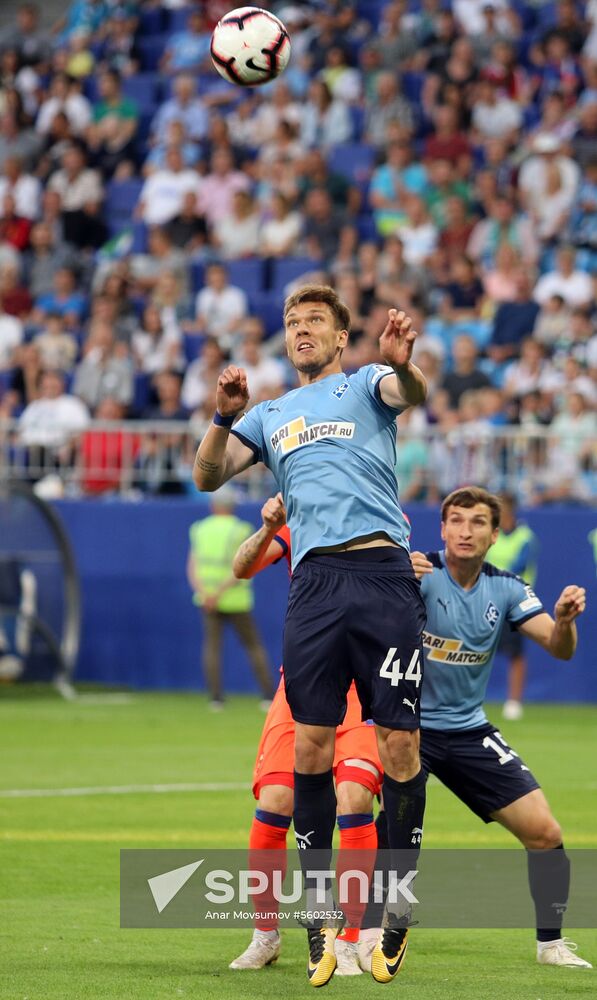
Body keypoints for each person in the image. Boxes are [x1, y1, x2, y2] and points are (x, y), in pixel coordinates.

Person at [193, 284, 427, 986]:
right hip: (315, 584)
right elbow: (207, 475)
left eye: (315, 321)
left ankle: (395, 906)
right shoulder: (269, 414)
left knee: (400, 747)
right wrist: (222, 416)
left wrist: (402, 362)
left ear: (339, 337)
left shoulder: (366, 384)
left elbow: (410, 390)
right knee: (310, 747)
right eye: (293, 321)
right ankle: (318, 918)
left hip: (381, 574)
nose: (301, 330)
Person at [408, 486, 590, 971]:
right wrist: (395, 582)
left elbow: (559, 648)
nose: (465, 531)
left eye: (478, 522)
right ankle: (361, 934)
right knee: (379, 829)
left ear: (495, 534)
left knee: (545, 833)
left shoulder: (507, 588)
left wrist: (565, 621)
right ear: (442, 529)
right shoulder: (417, 573)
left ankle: (551, 944)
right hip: (406, 728)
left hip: (468, 731)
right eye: (456, 520)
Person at [229, 492, 384, 976]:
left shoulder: (381, 515)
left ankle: (350, 939)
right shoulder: (299, 521)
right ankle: (265, 935)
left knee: (354, 796)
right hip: (303, 679)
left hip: (361, 685)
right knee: (275, 800)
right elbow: (242, 567)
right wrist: (268, 525)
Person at [187, 488, 275, 710]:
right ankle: (268, 696)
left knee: (212, 648)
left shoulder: (199, 529)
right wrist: (219, 592)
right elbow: (243, 564)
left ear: (213, 506)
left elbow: (192, 565)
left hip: (207, 599)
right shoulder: (241, 529)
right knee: (253, 646)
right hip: (236, 599)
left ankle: (216, 698)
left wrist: (205, 594)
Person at [486, 492, 539, 721]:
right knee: (474, 648)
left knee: (515, 653)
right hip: (486, 600)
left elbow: (519, 566)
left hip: (514, 603)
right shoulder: (489, 534)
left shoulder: (525, 537)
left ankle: (514, 702)